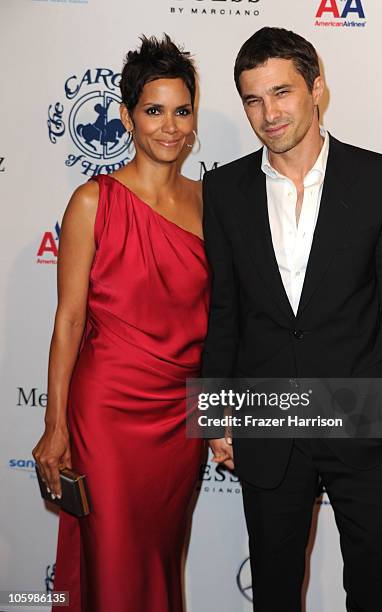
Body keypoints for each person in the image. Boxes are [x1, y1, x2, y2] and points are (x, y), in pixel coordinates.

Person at [201, 27, 382, 612]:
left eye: (281, 92)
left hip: (367, 425)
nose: (268, 113)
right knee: (273, 594)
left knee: (377, 594)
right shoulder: (224, 190)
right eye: (253, 99)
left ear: (317, 87)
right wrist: (214, 418)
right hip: (268, 422)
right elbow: (223, 309)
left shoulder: (380, 179)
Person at [32, 34, 210, 612]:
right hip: (105, 413)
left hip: (179, 419)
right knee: (112, 559)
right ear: (129, 117)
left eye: (182, 111)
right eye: (154, 110)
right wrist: (55, 425)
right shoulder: (94, 201)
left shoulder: (213, 204)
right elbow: (69, 321)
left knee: (160, 556)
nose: (170, 126)